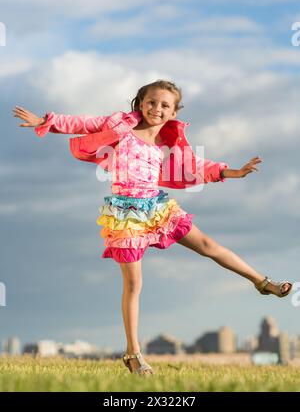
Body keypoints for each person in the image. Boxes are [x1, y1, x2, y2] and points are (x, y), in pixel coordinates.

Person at [13, 79, 292, 376]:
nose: (157, 108)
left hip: (157, 208)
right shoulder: (119, 127)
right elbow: (83, 122)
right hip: (125, 215)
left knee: (209, 246)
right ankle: (133, 354)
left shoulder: (166, 142)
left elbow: (194, 165)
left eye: (164, 105)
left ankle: (261, 282)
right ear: (140, 104)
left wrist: (231, 172)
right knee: (134, 285)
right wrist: (46, 121)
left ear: (173, 112)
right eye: (151, 102)